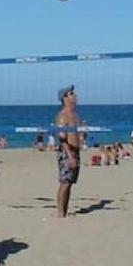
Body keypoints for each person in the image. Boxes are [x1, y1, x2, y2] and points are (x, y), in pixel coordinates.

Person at [55, 85, 82, 218]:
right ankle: (60, 214)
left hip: (75, 151)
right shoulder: (62, 116)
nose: (75, 96)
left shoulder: (76, 115)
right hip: (67, 152)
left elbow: (77, 135)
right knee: (64, 183)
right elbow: (62, 139)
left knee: (70, 183)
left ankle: (64, 212)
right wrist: (70, 156)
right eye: (71, 94)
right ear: (65, 98)